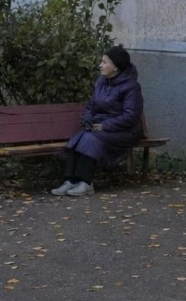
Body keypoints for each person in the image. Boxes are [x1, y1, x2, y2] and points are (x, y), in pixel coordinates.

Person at [52, 45, 144, 197]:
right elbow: (91, 106)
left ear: (115, 67)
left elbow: (131, 116)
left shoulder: (131, 87)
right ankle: (71, 181)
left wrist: (105, 125)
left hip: (126, 131)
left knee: (89, 138)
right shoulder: (101, 81)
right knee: (81, 136)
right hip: (99, 127)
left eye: (105, 62)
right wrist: (88, 119)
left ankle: (86, 183)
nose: (100, 65)